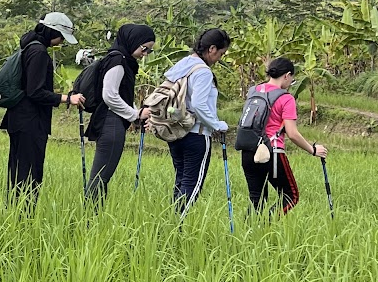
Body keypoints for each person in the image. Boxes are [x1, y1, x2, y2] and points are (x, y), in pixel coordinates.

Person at [0, 12, 86, 203]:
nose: (61, 41)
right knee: (30, 173)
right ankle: (25, 214)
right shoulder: (38, 52)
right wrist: (67, 98)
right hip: (30, 121)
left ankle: (15, 211)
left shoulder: (29, 46)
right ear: (52, 32)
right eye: (61, 37)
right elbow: (35, 92)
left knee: (19, 171)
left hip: (19, 118)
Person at [240, 57, 328, 215]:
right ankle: (267, 224)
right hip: (272, 152)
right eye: (292, 78)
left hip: (248, 150)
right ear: (287, 75)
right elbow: (292, 133)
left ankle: (251, 229)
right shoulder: (286, 98)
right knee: (291, 196)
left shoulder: (254, 91)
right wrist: (313, 150)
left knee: (256, 199)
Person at [161, 27, 231, 214]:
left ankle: (172, 221)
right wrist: (217, 125)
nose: (220, 58)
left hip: (176, 132)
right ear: (212, 49)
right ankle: (178, 224)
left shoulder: (183, 64)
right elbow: (200, 105)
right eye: (221, 54)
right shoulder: (203, 71)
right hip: (197, 134)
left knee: (181, 181)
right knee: (192, 185)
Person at [84, 24, 156, 203]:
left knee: (101, 177)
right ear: (133, 42)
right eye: (144, 48)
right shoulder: (118, 60)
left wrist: (136, 114)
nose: (145, 54)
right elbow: (110, 95)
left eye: (149, 51)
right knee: (100, 177)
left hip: (111, 121)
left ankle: (93, 214)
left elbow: (123, 94)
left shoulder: (123, 60)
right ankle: (90, 214)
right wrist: (135, 115)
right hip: (111, 122)